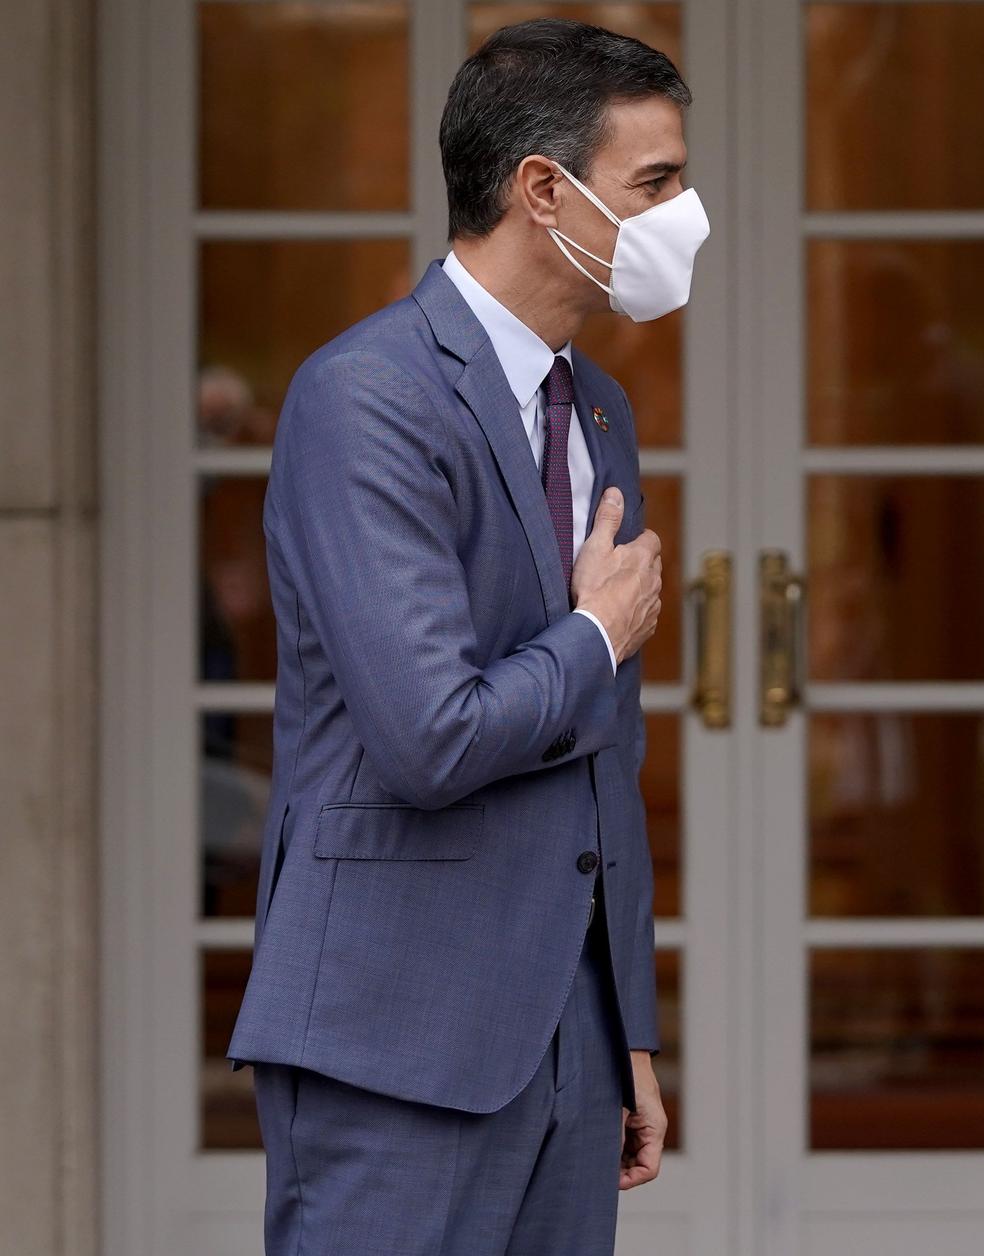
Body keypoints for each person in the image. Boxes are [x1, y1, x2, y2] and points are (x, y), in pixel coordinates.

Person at [225, 18, 708, 1252]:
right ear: (542, 190)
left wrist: (623, 1030)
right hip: (393, 1029)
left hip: (564, 1041)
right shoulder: (365, 396)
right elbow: (429, 735)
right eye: (654, 184)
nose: (682, 216)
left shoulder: (593, 402)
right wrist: (596, 631)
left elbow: (606, 748)